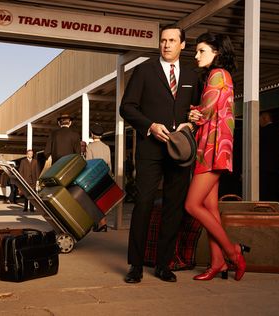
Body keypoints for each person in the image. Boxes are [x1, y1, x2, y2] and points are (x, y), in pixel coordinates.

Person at [119, 24, 200, 283]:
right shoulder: (144, 71)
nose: (166, 45)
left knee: (173, 208)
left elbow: (195, 111)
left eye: (172, 40)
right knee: (143, 205)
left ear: (183, 44)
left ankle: (164, 264)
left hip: (180, 151)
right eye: (163, 40)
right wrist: (150, 126)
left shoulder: (190, 76)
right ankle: (136, 265)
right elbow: (126, 107)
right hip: (150, 149)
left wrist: (194, 120)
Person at [184, 32, 249, 282]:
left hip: (212, 149)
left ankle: (233, 252)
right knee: (210, 207)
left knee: (191, 205)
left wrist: (192, 114)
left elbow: (205, 113)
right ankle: (218, 263)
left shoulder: (217, 74)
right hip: (212, 147)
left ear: (216, 52)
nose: (196, 55)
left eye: (202, 50)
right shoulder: (222, 75)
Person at [86, 123, 111, 232]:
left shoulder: (90, 147)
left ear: (92, 134)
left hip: (93, 176)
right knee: (102, 200)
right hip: (104, 176)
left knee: (94, 201)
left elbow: (88, 163)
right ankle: (104, 222)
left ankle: (100, 224)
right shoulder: (106, 147)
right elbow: (109, 164)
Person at [259, 111, 279, 204]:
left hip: (261, 171)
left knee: (263, 198)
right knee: (276, 199)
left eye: (260, 119)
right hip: (276, 169)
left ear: (265, 118)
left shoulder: (259, 133)